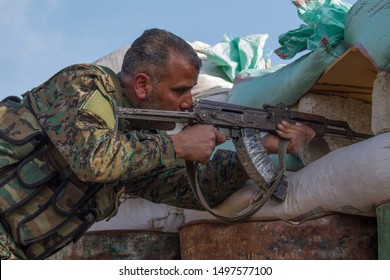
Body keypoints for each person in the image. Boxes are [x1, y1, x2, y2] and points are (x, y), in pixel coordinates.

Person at [0, 28, 315, 260]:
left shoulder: (141, 143)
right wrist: (177, 145)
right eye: (179, 91)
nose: (188, 103)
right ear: (141, 85)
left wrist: (265, 145)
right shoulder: (85, 85)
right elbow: (91, 158)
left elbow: (192, 189)